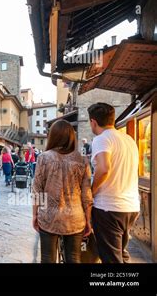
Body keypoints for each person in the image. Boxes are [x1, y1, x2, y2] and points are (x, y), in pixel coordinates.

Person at [32, 120, 92, 263]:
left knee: (47, 258)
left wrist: (35, 214)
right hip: (75, 218)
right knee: (74, 258)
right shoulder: (82, 160)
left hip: (49, 217)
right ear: (72, 137)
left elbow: (37, 191)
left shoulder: (43, 158)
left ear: (52, 136)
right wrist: (88, 220)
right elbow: (87, 195)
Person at [88, 102, 140, 263]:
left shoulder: (101, 139)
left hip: (109, 208)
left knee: (111, 259)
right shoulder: (129, 140)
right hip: (130, 207)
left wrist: (92, 191)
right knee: (122, 255)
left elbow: (103, 168)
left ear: (93, 122)